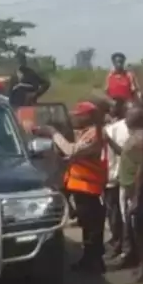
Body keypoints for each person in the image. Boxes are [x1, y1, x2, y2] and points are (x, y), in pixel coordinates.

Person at [40, 101, 106, 273]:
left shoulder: (95, 134)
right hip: (82, 186)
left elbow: (71, 150)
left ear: (89, 116)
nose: (75, 118)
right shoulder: (87, 132)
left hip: (89, 187)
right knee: (87, 225)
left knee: (92, 227)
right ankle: (89, 259)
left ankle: (94, 262)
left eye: (79, 115)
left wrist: (54, 133)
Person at [118, 106, 143, 282]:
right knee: (140, 228)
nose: (125, 118)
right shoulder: (137, 136)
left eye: (129, 115)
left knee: (141, 230)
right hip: (133, 188)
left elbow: (142, 168)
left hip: (138, 189)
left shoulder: (141, 138)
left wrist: (136, 196)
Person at [103, 100, 131, 260]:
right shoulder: (132, 128)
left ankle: (119, 243)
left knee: (115, 213)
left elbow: (108, 156)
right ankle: (121, 243)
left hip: (114, 176)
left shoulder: (110, 130)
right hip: (124, 176)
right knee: (124, 213)